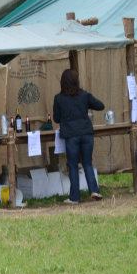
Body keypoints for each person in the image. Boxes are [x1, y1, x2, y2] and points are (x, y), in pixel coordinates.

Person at [52, 69, 105, 204]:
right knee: (87, 162)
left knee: (73, 165)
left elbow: (57, 119)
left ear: (62, 82)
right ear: (77, 81)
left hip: (71, 136)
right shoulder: (84, 95)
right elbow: (100, 106)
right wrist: (86, 102)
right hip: (87, 134)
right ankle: (94, 190)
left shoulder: (58, 98)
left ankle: (74, 197)